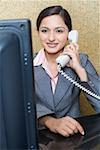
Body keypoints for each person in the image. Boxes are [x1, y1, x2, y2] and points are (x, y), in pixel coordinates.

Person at [33, 5, 100, 137]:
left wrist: (79, 70)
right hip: (39, 139)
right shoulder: (26, 64)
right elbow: (18, 107)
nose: (51, 38)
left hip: (73, 139)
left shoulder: (81, 60)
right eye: (45, 31)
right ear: (38, 32)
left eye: (59, 31)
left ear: (70, 34)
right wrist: (49, 121)